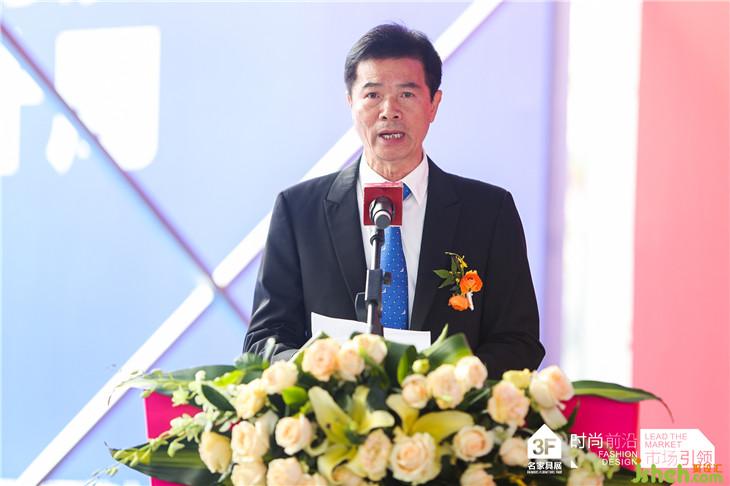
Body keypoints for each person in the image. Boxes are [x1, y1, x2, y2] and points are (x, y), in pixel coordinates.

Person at [243, 24, 544, 377]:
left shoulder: (489, 213)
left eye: (407, 94)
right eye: (372, 95)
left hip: (449, 408)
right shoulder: (298, 212)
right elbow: (265, 339)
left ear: (434, 104)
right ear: (351, 103)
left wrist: (454, 384)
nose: (389, 111)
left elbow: (518, 340)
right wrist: (318, 373)